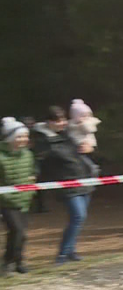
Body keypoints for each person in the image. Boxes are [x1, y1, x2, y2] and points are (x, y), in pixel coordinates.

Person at [32, 106, 96, 264]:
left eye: (63, 119)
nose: (62, 123)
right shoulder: (43, 141)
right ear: (49, 121)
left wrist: (87, 149)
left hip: (83, 179)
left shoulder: (68, 134)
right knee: (78, 216)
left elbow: (79, 152)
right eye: (58, 120)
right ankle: (62, 253)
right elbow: (40, 161)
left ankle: (70, 251)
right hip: (66, 182)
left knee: (80, 218)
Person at [0, 118, 36, 276]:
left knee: (22, 234)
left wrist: (32, 181)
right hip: (6, 200)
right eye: (19, 136)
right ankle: (8, 262)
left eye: (25, 136)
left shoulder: (28, 154)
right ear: (9, 137)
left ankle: (19, 261)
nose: (23, 140)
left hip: (24, 199)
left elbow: (31, 172)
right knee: (16, 230)